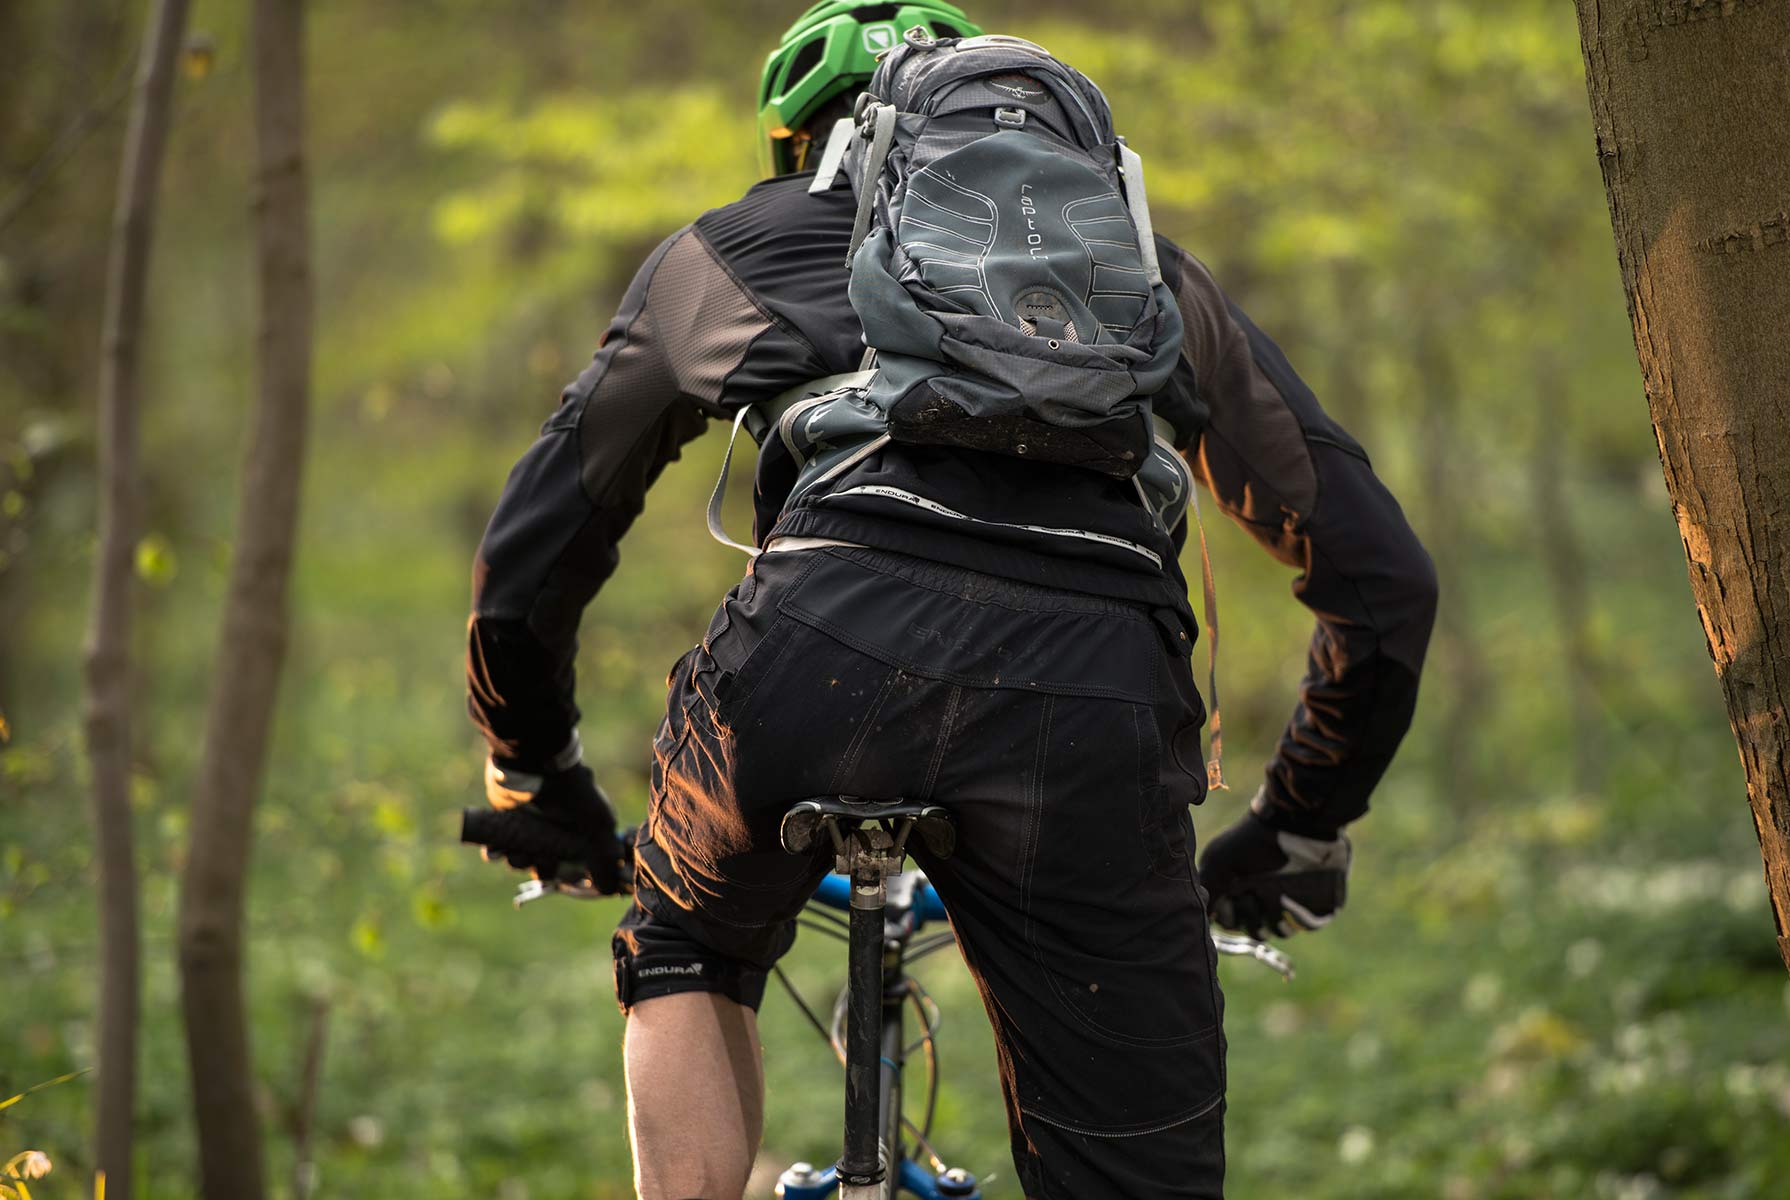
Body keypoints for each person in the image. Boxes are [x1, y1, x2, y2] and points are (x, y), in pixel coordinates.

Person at [461, 2, 1437, 1196]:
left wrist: (536, 774)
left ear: (798, 143)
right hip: (1094, 697)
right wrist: (1298, 822)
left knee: (686, 942)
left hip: (818, 651)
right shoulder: (1133, 273)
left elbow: (533, 556)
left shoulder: (727, 251)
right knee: (1137, 1162)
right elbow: (1382, 584)